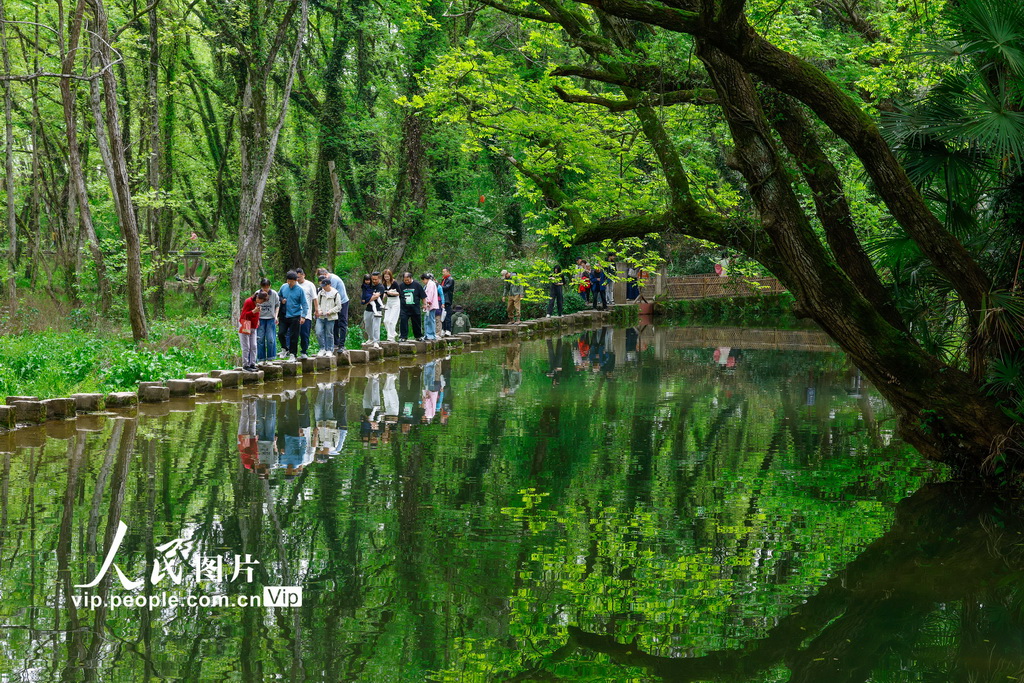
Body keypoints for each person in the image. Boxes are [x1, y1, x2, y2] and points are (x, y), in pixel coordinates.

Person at [316, 267, 349, 350]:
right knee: (334, 323)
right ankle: (335, 343)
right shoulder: (327, 281)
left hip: (342, 302)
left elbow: (330, 294)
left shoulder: (333, 280)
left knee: (342, 323)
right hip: (333, 304)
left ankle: (341, 345)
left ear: (325, 275)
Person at [278, 271, 308, 361]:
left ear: (296, 280)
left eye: (291, 281)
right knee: (281, 333)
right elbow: (278, 296)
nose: (289, 282)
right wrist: (281, 299)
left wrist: (303, 316)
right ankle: (284, 349)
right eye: (288, 280)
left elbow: (304, 304)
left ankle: (293, 354)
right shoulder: (283, 287)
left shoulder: (300, 290)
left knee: (293, 336)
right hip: (284, 314)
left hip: (295, 315)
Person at [239, 290, 266, 372]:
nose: (260, 302)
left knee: (254, 346)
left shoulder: (258, 304)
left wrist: (257, 319)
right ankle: (245, 365)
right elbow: (244, 315)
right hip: (245, 323)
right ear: (257, 297)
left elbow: (256, 315)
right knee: (246, 346)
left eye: (262, 301)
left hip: (253, 326)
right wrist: (253, 311)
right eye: (260, 300)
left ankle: (252, 364)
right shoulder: (248, 301)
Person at [295, 268, 319, 358]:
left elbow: (315, 298)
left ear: (303, 275)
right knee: (293, 334)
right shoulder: (294, 284)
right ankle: (291, 352)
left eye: (300, 277)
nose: (298, 279)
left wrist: (316, 310)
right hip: (295, 313)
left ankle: (304, 351)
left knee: (304, 334)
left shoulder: (309, 285)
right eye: (297, 277)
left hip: (306, 314)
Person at [255, 278, 279, 363]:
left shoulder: (274, 294)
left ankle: (270, 358)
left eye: (267, 287)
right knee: (260, 339)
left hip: (270, 318)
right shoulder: (257, 293)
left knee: (271, 339)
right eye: (264, 288)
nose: (265, 289)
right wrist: (256, 318)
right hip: (260, 318)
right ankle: (261, 358)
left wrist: (276, 316)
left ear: (269, 286)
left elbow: (277, 305)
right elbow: (255, 306)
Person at [316, 277, 342, 355]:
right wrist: (319, 310)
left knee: (329, 334)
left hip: (331, 317)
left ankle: (330, 350)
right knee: (318, 332)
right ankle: (322, 348)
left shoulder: (336, 293)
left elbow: (338, 306)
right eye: (322, 285)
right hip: (321, 317)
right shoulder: (320, 293)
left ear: (329, 285)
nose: (323, 287)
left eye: (325, 285)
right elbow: (317, 304)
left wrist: (330, 312)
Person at [397, 271, 426, 340]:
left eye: (408, 280)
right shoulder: (401, 286)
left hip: (415, 307)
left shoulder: (417, 285)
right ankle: (403, 337)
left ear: (411, 278)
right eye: (405, 280)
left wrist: (425, 304)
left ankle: (418, 336)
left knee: (416, 323)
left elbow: (423, 296)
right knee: (403, 322)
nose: (407, 281)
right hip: (404, 308)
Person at [361, 272, 385, 347]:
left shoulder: (381, 287)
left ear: (379, 278)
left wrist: (367, 300)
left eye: (376, 279)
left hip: (377, 309)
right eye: (373, 279)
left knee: (376, 326)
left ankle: (376, 341)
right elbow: (363, 295)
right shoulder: (369, 286)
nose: (374, 281)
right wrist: (364, 300)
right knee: (367, 325)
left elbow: (376, 296)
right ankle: (370, 338)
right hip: (368, 309)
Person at [381, 269, 401, 342]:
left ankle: (390, 337)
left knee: (391, 321)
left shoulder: (394, 283)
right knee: (386, 320)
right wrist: (382, 298)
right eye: (385, 276)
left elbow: (399, 293)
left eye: (388, 276)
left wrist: (391, 293)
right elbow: (385, 293)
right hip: (388, 302)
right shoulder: (384, 284)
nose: (386, 278)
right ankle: (393, 333)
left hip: (395, 302)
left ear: (390, 276)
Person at [421, 273, 439, 340]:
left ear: (425, 279)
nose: (423, 282)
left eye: (423, 280)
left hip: (430, 305)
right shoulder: (429, 284)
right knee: (427, 319)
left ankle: (431, 335)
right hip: (429, 305)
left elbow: (430, 294)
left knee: (430, 320)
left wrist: (427, 303)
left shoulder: (431, 284)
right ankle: (427, 334)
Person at [440, 267, 455, 337]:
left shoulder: (450, 280)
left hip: (447, 299)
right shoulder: (444, 279)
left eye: (444, 272)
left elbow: (446, 288)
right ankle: (443, 329)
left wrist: (438, 286)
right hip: (442, 299)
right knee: (442, 315)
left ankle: (448, 330)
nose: (443, 273)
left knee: (447, 315)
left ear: (448, 272)